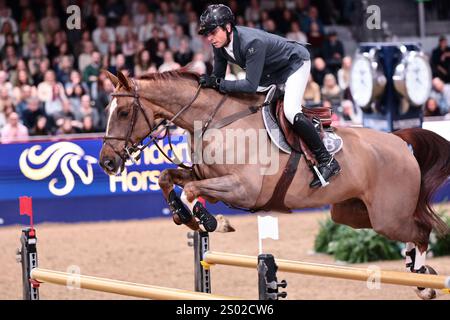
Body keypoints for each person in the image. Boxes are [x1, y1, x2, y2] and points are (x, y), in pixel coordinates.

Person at [197, 4, 340, 188]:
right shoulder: (220, 45)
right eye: (207, 34)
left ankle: (327, 160)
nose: (210, 38)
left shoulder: (251, 42)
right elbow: (218, 80)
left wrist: (217, 83)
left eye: (213, 32)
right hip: (271, 73)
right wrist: (206, 85)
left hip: (294, 65)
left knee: (290, 111)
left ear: (228, 27)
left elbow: (249, 85)